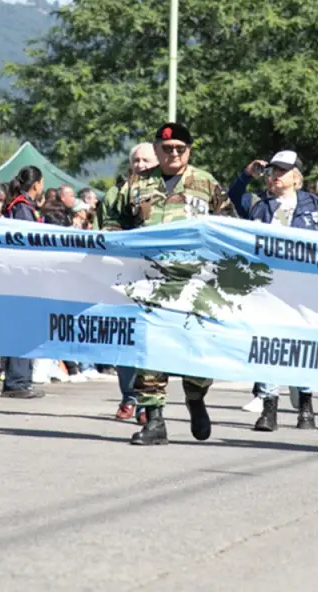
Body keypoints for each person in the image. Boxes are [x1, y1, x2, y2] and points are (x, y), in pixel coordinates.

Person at [102, 122, 236, 446]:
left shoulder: (206, 183)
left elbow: (230, 226)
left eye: (180, 148)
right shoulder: (134, 185)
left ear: (189, 150)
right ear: (157, 150)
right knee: (151, 350)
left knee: (196, 351)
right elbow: (111, 219)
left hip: (196, 283)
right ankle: (155, 420)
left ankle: (196, 397)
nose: (173, 153)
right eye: (166, 148)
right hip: (150, 282)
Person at [238, 151, 318, 433]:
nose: (275, 176)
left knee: (303, 344)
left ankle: (306, 408)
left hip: (306, 289)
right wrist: (247, 174)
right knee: (270, 345)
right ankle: (269, 408)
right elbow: (233, 196)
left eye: (282, 171)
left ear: (297, 177)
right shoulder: (260, 206)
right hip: (268, 287)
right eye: (272, 171)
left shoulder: (314, 205)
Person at [99, 141, 159, 420]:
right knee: (125, 339)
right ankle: (129, 397)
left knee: (152, 341)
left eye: (146, 160)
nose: (140, 165)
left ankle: (150, 405)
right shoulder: (117, 192)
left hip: (162, 276)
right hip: (125, 274)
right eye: (136, 160)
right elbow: (107, 227)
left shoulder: (170, 191)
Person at [0, 165, 48, 400]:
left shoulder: (22, 206)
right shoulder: (21, 208)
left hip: (22, 276)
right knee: (22, 328)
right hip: (22, 277)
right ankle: (17, 381)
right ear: (36, 184)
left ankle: (20, 380)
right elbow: (25, 241)